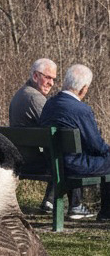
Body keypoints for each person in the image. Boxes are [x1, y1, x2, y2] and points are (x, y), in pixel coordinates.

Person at [9, 59, 86, 217]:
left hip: (22, 159)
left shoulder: (21, 94)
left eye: (54, 79)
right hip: (32, 162)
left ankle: (50, 201)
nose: (51, 83)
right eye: (48, 77)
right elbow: (58, 127)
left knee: (58, 153)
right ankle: (76, 206)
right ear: (35, 76)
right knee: (70, 154)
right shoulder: (35, 98)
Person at [40, 64, 109, 222]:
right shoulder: (81, 110)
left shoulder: (49, 104)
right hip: (72, 166)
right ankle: (106, 213)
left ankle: (90, 210)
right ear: (84, 88)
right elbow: (96, 146)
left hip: (51, 163)